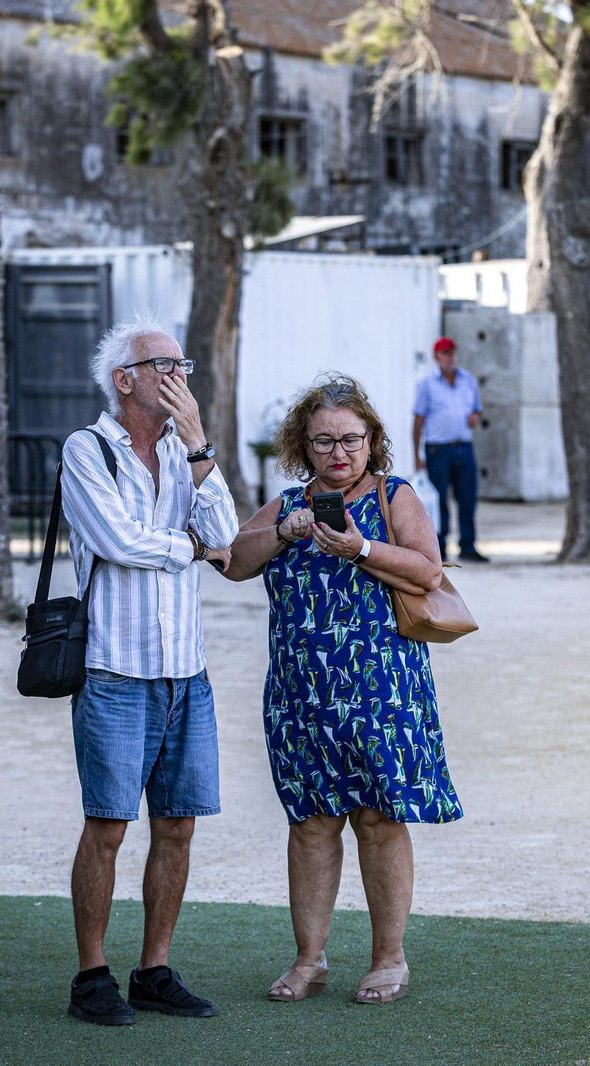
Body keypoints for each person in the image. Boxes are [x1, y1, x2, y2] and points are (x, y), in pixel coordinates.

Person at [220, 373, 463, 1007]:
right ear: (304, 444)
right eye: (324, 441)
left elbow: (428, 568)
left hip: (382, 690)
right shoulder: (289, 504)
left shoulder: (393, 495)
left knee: (379, 819)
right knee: (311, 824)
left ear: (372, 439)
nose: (338, 453)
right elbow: (234, 561)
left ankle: (389, 959)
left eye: (350, 440)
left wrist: (360, 547)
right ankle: (309, 960)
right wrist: (284, 532)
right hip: (302, 694)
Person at [58, 316, 239, 1026]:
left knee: (178, 827)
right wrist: (189, 546)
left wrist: (199, 447)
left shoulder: (187, 451)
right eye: (161, 364)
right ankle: (91, 976)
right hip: (114, 669)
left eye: (182, 364)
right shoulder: (86, 449)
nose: (178, 375)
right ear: (122, 380)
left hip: (185, 671)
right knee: (107, 827)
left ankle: (154, 970)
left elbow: (225, 539)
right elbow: (117, 541)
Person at [413, 336, 487, 562]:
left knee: (467, 497)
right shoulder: (427, 384)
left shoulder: (468, 380)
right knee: (439, 500)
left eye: (453, 352)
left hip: (463, 446)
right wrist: (417, 455)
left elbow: (477, 410)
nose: (450, 357)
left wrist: (475, 418)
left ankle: (468, 545)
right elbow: (418, 420)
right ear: (437, 357)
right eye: (445, 353)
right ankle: (439, 546)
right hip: (438, 450)